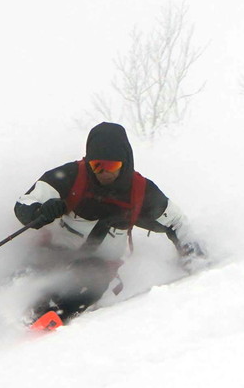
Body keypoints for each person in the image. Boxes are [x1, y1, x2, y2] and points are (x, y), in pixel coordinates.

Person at [12, 121, 206, 324]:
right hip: (56, 252)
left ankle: (50, 320)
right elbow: (24, 204)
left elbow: (176, 223)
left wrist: (193, 256)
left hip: (97, 266)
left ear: (125, 163)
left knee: (91, 278)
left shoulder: (140, 193)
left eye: (112, 166)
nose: (105, 173)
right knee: (28, 274)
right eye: (97, 166)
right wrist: (40, 211)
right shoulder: (70, 177)